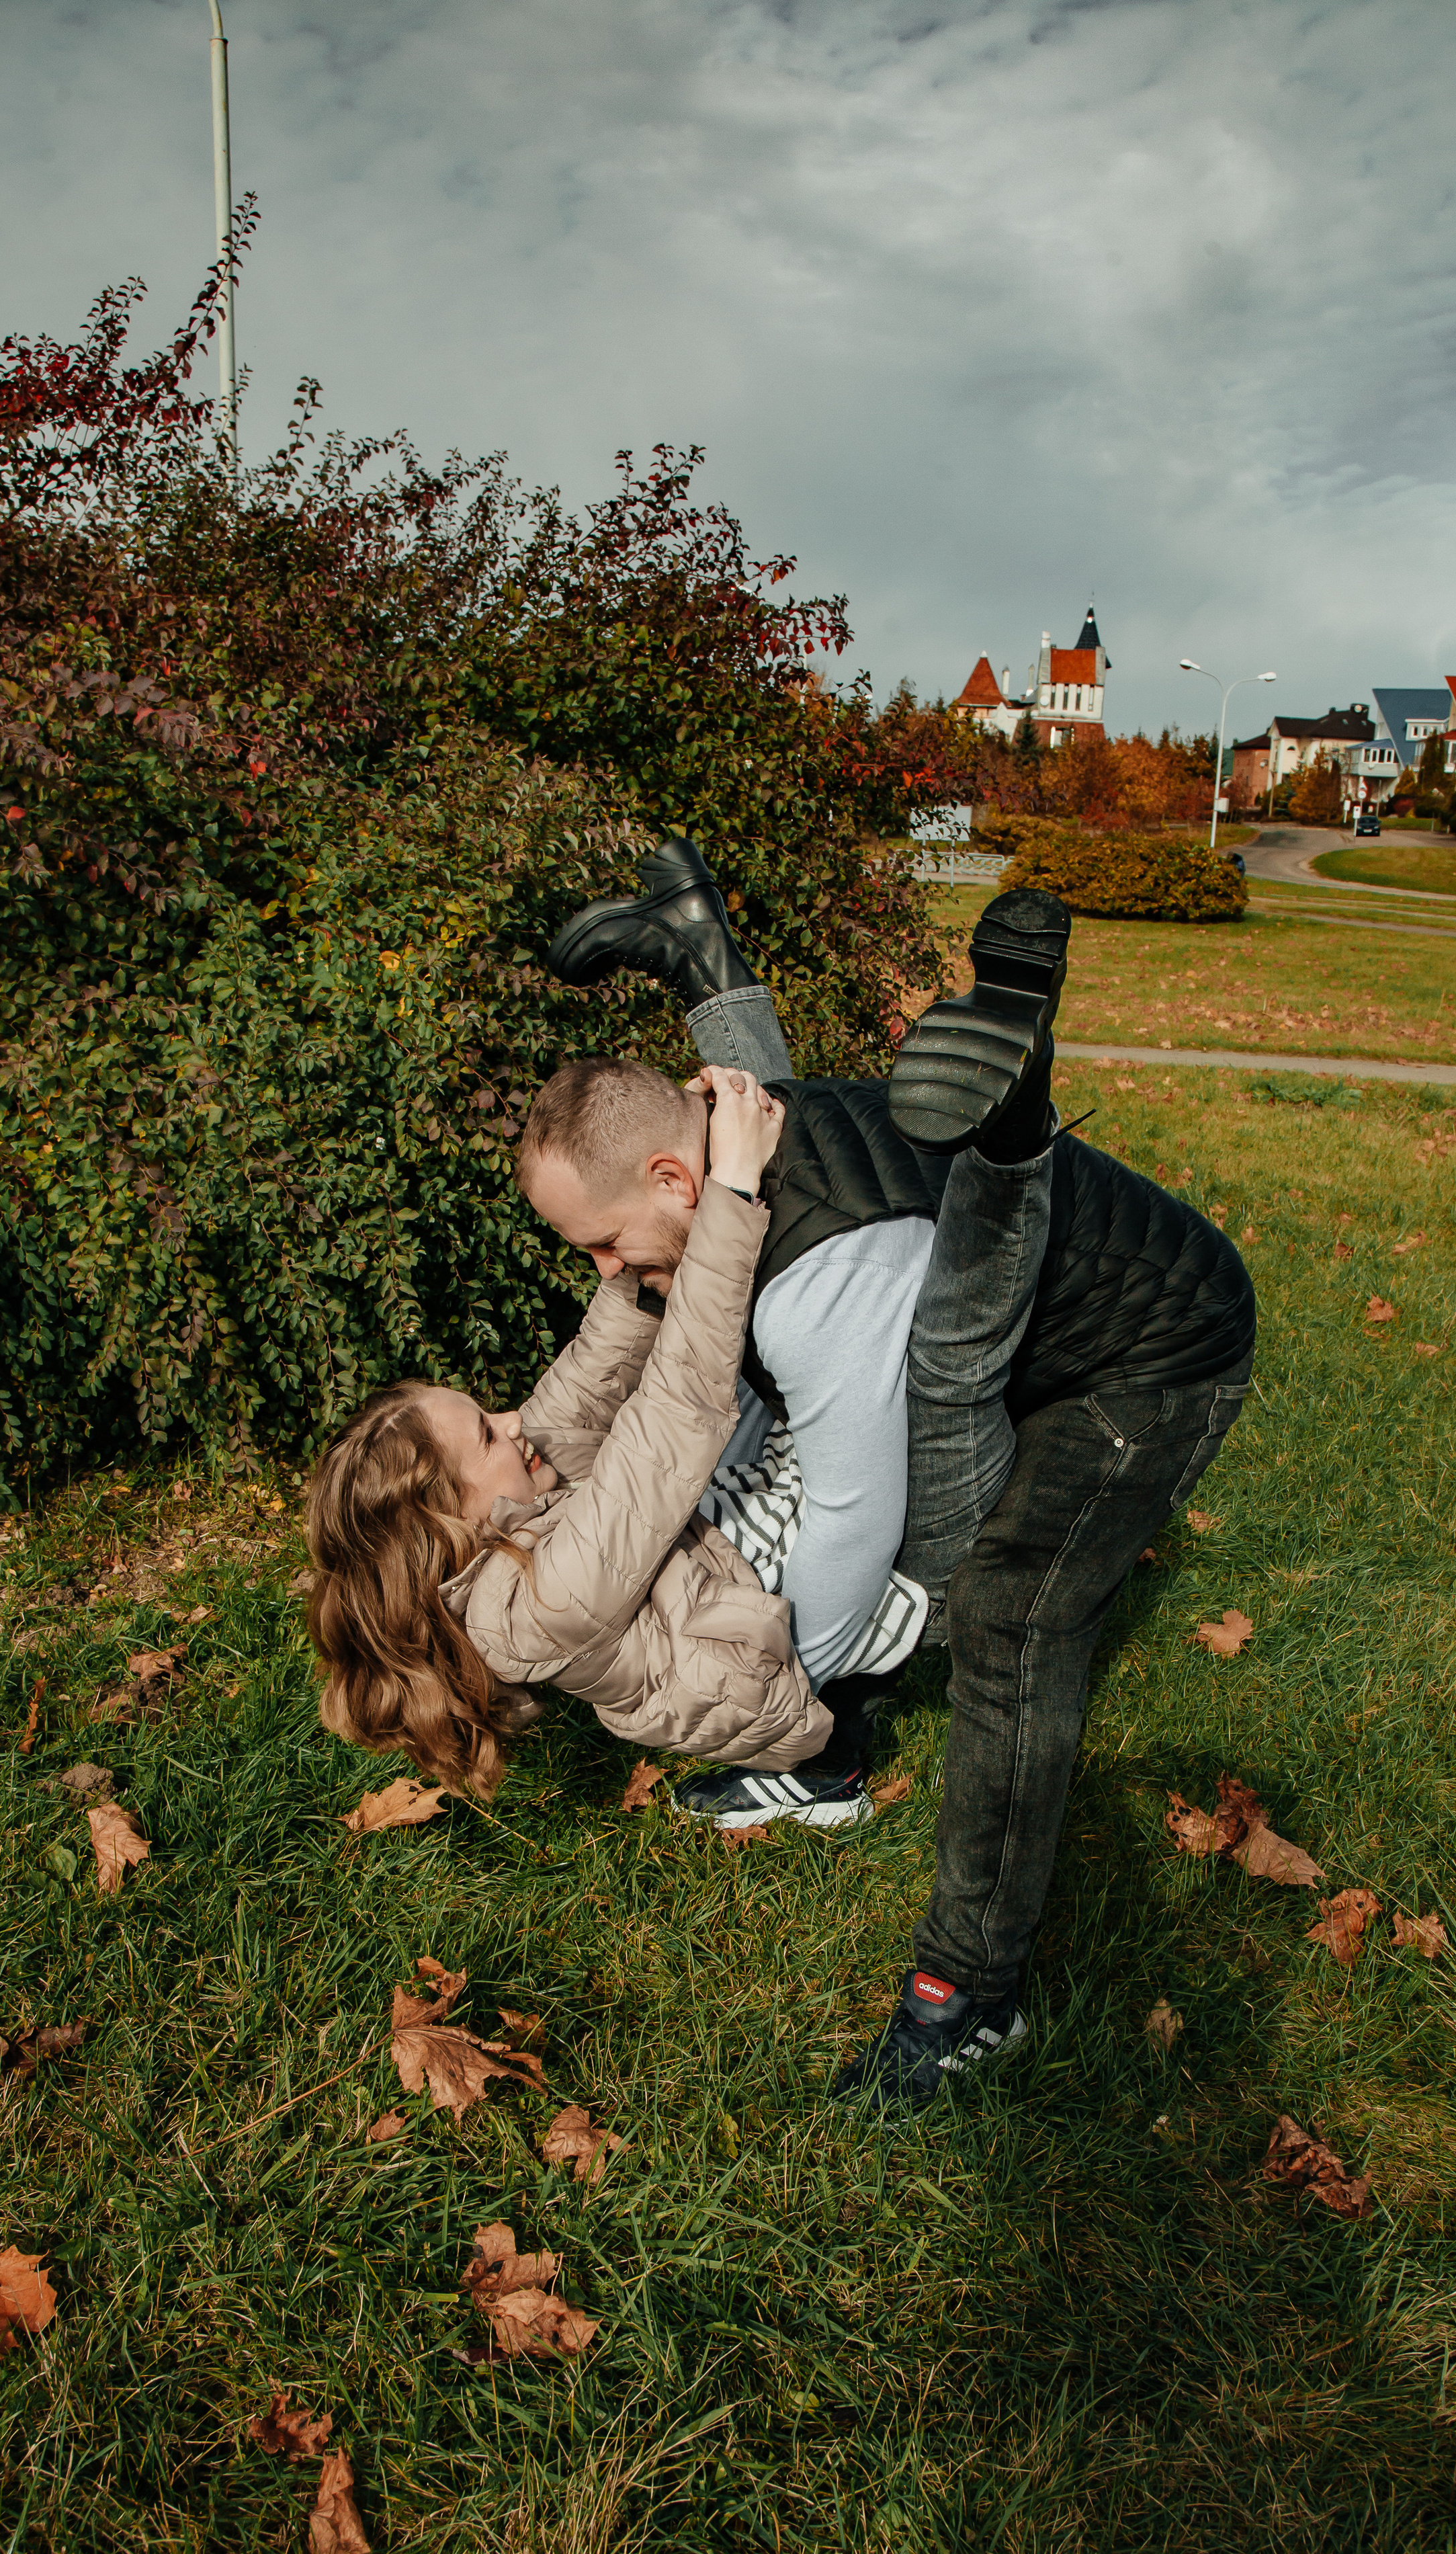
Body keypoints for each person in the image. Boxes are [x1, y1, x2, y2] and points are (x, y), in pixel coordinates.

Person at [538, 837, 1256, 2116]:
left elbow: (859, 1520)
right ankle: (830, 1769)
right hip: (1019, 1312)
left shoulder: (816, 1291)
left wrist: (780, 1684)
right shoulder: (741, 1141)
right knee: (899, 1479)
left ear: (671, 1177)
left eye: (603, 1244)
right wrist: (707, 966)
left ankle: (968, 1994)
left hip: (1146, 1349)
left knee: (1009, 1617)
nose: (607, 1274)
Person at [304, 1042, 1056, 1817]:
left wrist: (650, 1242)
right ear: (452, 1518)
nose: (510, 1421)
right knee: (826, 1376)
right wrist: (728, 1187)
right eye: (488, 1436)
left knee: (763, 1356)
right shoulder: (544, 1602)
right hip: (764, 1654)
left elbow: (590, 1378)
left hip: (709, 1570)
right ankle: (818, 1771)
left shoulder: (502, 1533)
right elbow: (675, 1407)